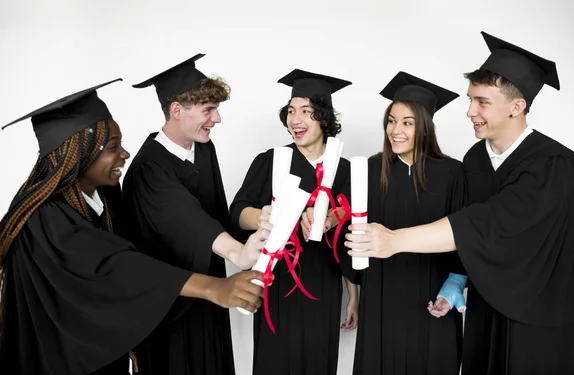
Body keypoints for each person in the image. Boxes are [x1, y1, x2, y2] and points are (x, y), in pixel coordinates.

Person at [346, 32, 574, 375]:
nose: (469, 111)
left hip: (536, 319)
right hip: (484, 312)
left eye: (482, 102)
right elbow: (468, 230)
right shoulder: (476, 160)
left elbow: (488, 222)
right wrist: (456, 283)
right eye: (470, 100)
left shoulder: (555, 165)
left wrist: (395, 240)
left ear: (516, 107)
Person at [0, 79, 266, 375]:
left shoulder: (105, 198)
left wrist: (125, 338)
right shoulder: (44, 218)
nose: (125, 154)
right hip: (59, 358)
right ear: (79, 154)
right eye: (112, 147)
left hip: (102, 346)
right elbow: (117, 267)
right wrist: (213, 286)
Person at [122, 53, 265, 375]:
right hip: (168, 302)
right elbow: (187, 218)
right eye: (208, 110)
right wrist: (238, 253)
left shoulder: (202, 147)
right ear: (177, 110)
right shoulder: (150, 167)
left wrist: (257, 226)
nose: (217, 119)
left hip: (210, 293)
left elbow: (214, 210)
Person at [230, 69, 359, 375]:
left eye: (306, 112)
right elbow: (237, 210)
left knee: (318, 361)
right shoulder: (272, 160)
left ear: (324, 118)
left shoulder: (344, 170)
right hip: (276, 281)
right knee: (275, 360)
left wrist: (353, 296)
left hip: (323, 282)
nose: (295, 120)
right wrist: (266, 215)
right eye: (290, 112)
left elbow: (351, 236)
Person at [351, 71, 465, 375]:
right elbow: (347, 230)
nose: (396, 130)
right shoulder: (371, 170)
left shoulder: (453, 174)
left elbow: (466, 236)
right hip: (381, 297)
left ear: (425, 128)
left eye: (407, 122)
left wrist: (455, 284)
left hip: (432, 295)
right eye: (391, 120)